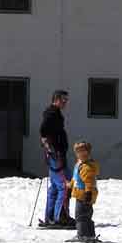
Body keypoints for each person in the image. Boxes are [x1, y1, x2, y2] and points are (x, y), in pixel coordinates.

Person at [39, 90, 74, 227]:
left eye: (66, 100)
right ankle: (59, 217)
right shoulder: (52, 113)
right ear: (56, 99)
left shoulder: (55, 113)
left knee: (55, 186)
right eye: (63, 99)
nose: (65, 102)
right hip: (56, 154)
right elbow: (43, 130)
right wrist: (48, 145)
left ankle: (50, 216)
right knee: (64, 185)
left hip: (58, 153)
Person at [69, 141, 99, 242]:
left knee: (81, 216)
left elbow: (89, 182)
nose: (81, 154)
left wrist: (88, 193)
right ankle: (89, 234)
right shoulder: (79, 164)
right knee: (85, 215)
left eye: (84, 152)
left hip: (84, 195)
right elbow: (75, 178)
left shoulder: (87, 167)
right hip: (79, 194)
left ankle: (82, 234)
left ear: (88, 153)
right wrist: (70, 187)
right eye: (78, 152)